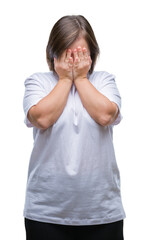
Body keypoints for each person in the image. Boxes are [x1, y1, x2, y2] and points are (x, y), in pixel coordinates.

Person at [23, 15, 126, 240]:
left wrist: (80, 79)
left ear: (92, 55)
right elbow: (41, 118)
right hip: (45, 213)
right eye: (68, 55)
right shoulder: (38, 82)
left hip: (102, 212)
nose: (74, 61)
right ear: (54, 53)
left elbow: (106, 114)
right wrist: (64, 80)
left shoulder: (104, 80)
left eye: (80, 55)